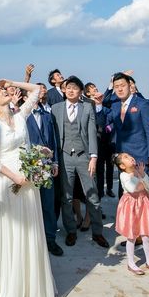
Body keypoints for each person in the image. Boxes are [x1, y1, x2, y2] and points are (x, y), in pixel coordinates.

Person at [0, 79, 56, 297]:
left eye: (4, 89)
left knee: (31, 230)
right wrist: (14, 177)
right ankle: (13, 287)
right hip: (7, 182)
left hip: (28, 181)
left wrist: (12, 81)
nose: (5, 91)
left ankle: (34, 288)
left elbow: (36, 90)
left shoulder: (21, 115)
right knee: (12, 232)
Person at [106, 72, 149, 256]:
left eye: (122, 85)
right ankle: (137, 234)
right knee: (130, 200)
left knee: (148, 201)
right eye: (116, 86)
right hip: (124, 162)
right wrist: (108, 88)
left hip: (141, 159)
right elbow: (104, 104)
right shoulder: (115, 105)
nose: (119, 89)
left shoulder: (142, 104)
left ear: (130, 86)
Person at [51, 75, 109, 249]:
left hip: (84, 156)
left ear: (80, 91)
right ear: (64, 90)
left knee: (92, 194)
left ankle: (97, 232)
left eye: (75, 88)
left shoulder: (87, 107)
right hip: (64, 156)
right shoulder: (55, 108)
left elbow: (92, 133)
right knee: (66, 196)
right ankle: (71, 230)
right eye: (68, 87)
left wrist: (93, 157)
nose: (71, 90)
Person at [25, 81, 62, 256]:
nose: (37, 94)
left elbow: (53, 140)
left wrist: (55, 162)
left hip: (47, 166)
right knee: (31, 206)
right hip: (29, 167)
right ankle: (33, 242)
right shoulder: (20, 116)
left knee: (48, 204)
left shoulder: (47, 116)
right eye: (33, 92)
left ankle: (50, 239)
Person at [114, 153, 149, 275]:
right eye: (126, 157)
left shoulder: (139, 171)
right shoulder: (124, 175)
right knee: (132, 236)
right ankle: (131, 263)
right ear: (122, 166)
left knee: (146, 235)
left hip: (144, 204)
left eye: (129, 156)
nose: (130, 157)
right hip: (131, 207)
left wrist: (143, 174)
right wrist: (139, 177)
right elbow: (132, 188)